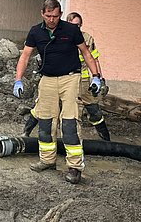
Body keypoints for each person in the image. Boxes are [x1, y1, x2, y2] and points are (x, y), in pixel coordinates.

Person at [13, 0, 103, 184]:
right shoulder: (35, 31)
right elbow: (25, 56)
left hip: (70, 79)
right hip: (47, 80)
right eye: (48, 16)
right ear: (42, 14)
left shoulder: (71, 30)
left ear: (60, 14)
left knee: (69, 123)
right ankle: (47, 160)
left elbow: (86, 53)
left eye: (55, 16)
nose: (51, 20)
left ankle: (75, 167)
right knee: (45, 122)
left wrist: (96, 76)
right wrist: (18, 80)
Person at [20, 12, 111, 141]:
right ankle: (26, 132)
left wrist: (99, 78)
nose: (76, 28)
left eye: (79, 25)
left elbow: (94, 59)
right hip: (62, 78)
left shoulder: (87, 38)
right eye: (74, 25)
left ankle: (106, 140)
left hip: (84, 83)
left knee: (93, 110)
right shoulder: (61, 34)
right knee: (42, 107)